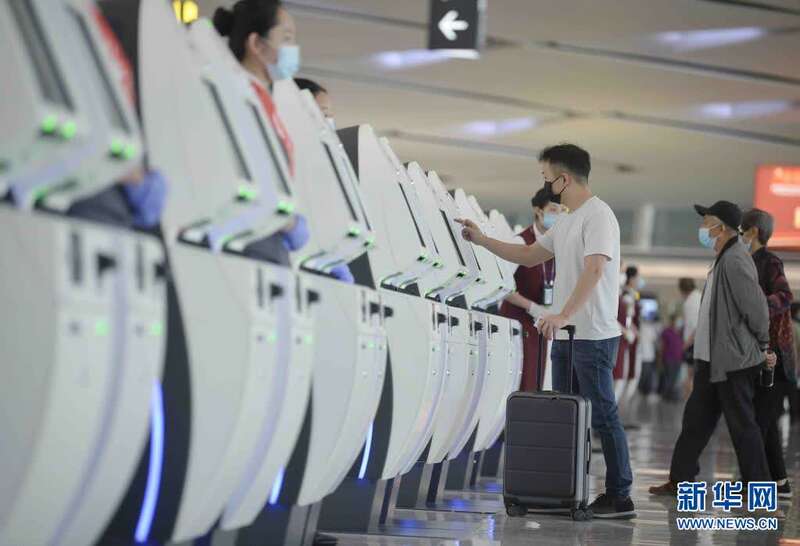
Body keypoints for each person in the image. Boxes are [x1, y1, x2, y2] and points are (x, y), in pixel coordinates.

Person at [457, 144, 635, 519]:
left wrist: (561, 314)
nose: (545, 183)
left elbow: (595, 270)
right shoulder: (568, 220)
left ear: (564, 178)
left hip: (594, 335)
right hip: (568, 335)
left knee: (602, 415)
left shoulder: (598, 216)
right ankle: (567, 491)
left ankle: (620, 496)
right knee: (570, 420)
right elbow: (528, 255)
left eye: (546, 177)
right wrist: (483, 241)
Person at [650, 201, 775, 497]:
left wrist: (762, 344)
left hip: (732, 361)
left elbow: (756, 308)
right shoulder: (722, 258)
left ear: (722, 227)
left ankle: (758, 488)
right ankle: (680, 479)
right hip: (710, 359)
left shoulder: (735, 259)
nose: (703, 228)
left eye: (707, 222)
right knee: (695, 422)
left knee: (742, 425)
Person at [741, 208, 796, 498]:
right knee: (767, 421)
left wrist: (756, 304)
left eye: (742, 229)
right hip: (759, 353)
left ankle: (755, 484)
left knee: (758, 421)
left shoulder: (770, 261)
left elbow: (785, 296)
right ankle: (780, 482)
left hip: (773, 356)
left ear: (753, 232)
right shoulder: (747, 261)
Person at [499, 187, 563, 391]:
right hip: (518, 323)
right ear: (538, 211)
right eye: (554, 210)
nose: (559, 216)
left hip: (540, 325)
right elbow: (502, 286)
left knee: (537, 381)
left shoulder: (555, 246)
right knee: (520, 383)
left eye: (562, 211)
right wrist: (532, 307)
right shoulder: (521, 241)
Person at [678, 277, 702, 394]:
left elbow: (696, 327)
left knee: (690, 377)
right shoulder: (699, 296)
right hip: (698, 343)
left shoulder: (690, 303)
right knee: (693, 377)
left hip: (692, 344)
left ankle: (689, 403)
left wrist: (685, 344)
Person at [659, 314, 684, 401]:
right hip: (668, 358)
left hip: (678, 358)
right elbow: (662, 345)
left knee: (675, 378)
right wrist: (660, 359)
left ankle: (671, 395)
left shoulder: (680, 332)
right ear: (672, 321)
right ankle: (666, 395)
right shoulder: (666, 331)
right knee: (668, 377)